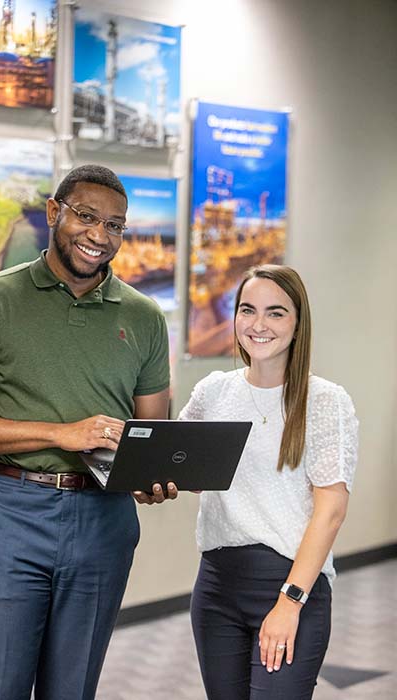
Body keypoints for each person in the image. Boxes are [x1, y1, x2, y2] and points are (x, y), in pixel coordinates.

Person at [0, 164, 177, 700]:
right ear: (53, 213)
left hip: (105, 522)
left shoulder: (144, 316)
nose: (99, 235)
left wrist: (151, 477)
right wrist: (61, 434)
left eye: (115, 225)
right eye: (86, 216)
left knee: (72, 689)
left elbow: (154, 432)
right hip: (12, 514)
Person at [180, 264, 358, 700]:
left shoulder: (324, 400)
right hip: (216, 586)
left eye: (276, 313)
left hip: (288, 584)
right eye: (247, 310)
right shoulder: (214, 391)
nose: (258, 325)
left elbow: (330, 512)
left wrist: (289, 602)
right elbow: (186, 469)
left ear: (298, 325)